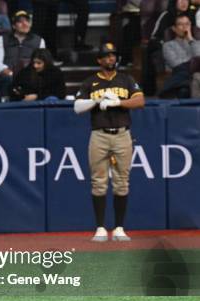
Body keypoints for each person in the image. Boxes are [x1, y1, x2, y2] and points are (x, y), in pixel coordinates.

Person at [73, 43, 145, 242]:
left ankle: (120, 228)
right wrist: (97, 101)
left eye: (113, 55)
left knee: (122, 182)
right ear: (99, 60)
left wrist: (118, 102)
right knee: (98, 182)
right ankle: (100, 228)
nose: (110, 59)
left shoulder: (126, 79)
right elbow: (77, 107)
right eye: (106, 56)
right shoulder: (90, 82)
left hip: (122, 134)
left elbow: (140, 102)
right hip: (99, 134)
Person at [0, 10, 45, 99]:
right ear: (13, 26)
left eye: (27, 21)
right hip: (8, 75)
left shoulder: (39, 41)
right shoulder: (2, 39)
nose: (25, 24)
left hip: (30, 75)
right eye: (20, 22)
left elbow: (43, 61)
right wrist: (9, 72)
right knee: (5, 79)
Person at [160, 14, 200, 98]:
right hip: (180, 74)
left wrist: (191, 40)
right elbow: (175, 64)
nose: (184, 27)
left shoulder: (196, 43)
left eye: (187, 24)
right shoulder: (168, 45)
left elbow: (198, 57)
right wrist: (193, 63)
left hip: (195, 75)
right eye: (181, 24)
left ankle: (167, 88)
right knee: (184, 88)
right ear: (174, 28)